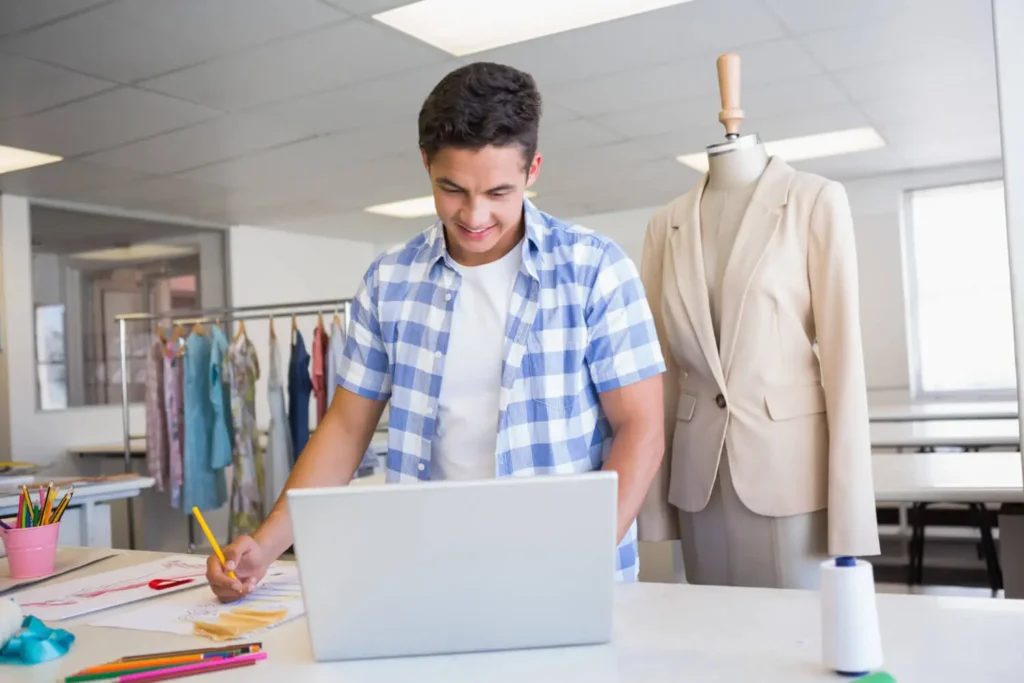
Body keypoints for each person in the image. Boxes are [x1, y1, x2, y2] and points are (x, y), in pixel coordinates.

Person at [206, 62, 667, 601]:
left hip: (566, 569)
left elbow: (641, 428)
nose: (474, 215)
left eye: (499, 192)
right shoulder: (390, 280)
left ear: (533, 169)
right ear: (426, 163)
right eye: (452, 189)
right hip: (432, 567)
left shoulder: (595, 269)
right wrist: (267, 543)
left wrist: (582, 554)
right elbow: (346, 429)